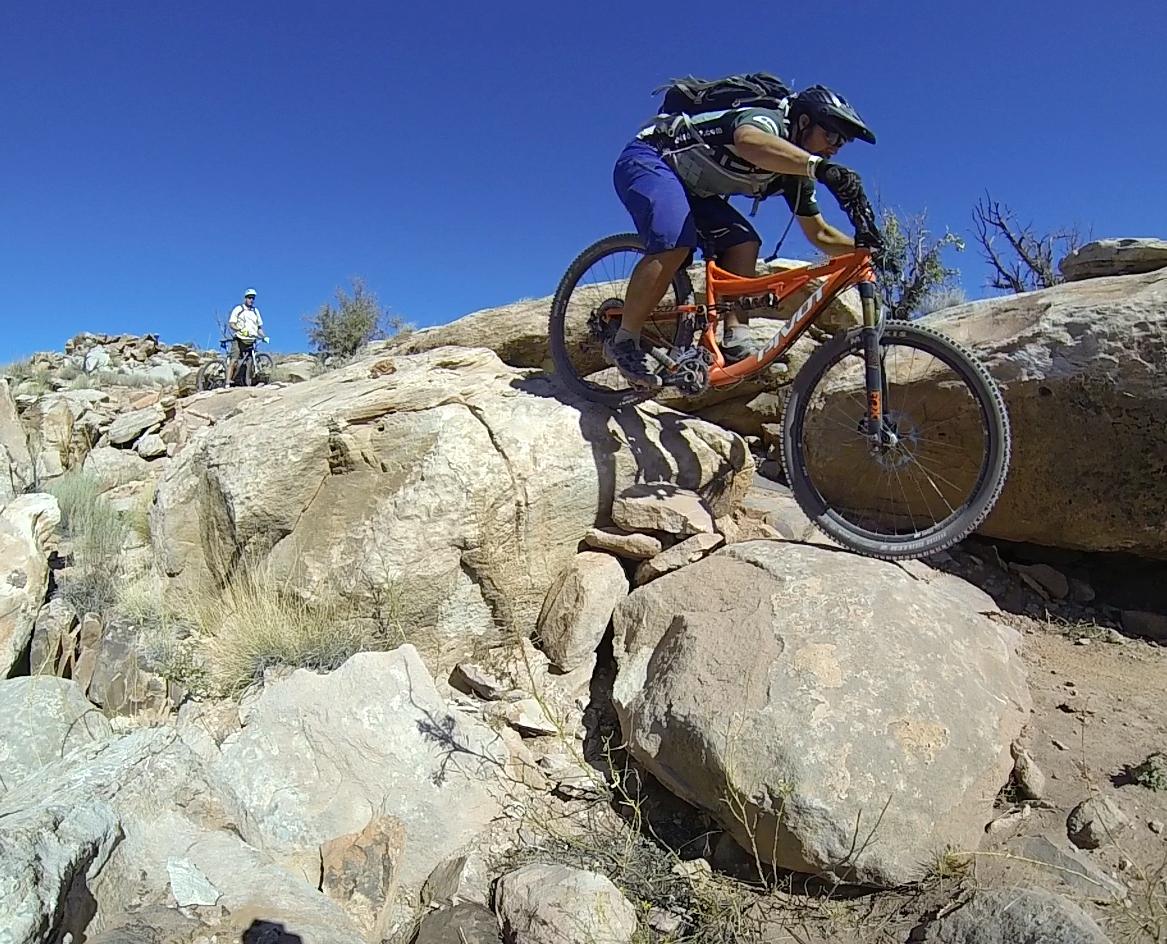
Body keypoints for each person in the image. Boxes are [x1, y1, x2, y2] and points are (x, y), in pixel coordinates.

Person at [609, 84, 877, 388]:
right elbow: (748, 141)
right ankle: (625, 339)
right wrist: (819, 168)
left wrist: (866, 248)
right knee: (676, 242)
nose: (835, 146)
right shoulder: (768, 122)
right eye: (831, 135)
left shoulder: (796, 174)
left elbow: (820, 234)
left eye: (842, 142)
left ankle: (735, 337)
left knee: (744, 242)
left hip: (695, 191)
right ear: (803, 122)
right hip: (650, 157)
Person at [226, 288, 268, 385]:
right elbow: (232, 323)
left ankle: (247, 382)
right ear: (245, 298)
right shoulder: (239, 309)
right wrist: (240, 330)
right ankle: (227, 381)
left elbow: (259, 328)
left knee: (250, 361)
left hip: (251, 340)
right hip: (239, 339)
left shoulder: (255, 311)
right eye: (249, 297)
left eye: (253, 298)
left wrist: (264, 337)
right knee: (234, 359)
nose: (251, 300)